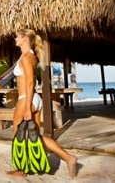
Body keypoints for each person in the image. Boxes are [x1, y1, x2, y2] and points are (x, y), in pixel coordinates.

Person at [6, 29, 77, 179]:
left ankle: (21, 169)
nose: (15, 39)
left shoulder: (26, 57)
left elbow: (30, 82)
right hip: (34, 99)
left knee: (17, 134)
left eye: (17, 37)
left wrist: (26, 108)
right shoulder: (31, 56)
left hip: (26, 98)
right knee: (36, 136)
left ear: (24, 39)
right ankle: (68, 158)